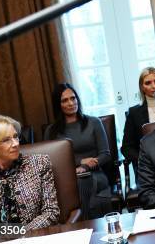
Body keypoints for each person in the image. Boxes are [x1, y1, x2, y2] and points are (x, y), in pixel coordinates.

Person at [44, 83, 112, 219]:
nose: (71, 103)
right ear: (58, 105)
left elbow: (106, 154)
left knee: (82, 181)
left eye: (73, 98)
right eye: (65, 100)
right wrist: (79, 162)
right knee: (77, 184)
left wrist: (85, 166)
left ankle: (83, 225)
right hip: (66, 179)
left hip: (95, 174)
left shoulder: (94, 122)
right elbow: (48, 161)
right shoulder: (51, 131)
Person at [121, 67, 155, 175]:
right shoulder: (134, 113)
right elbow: (126, 147)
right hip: (147, 166)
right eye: (148, 83)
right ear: (142, 87)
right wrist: (143, 160)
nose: (154, 86)